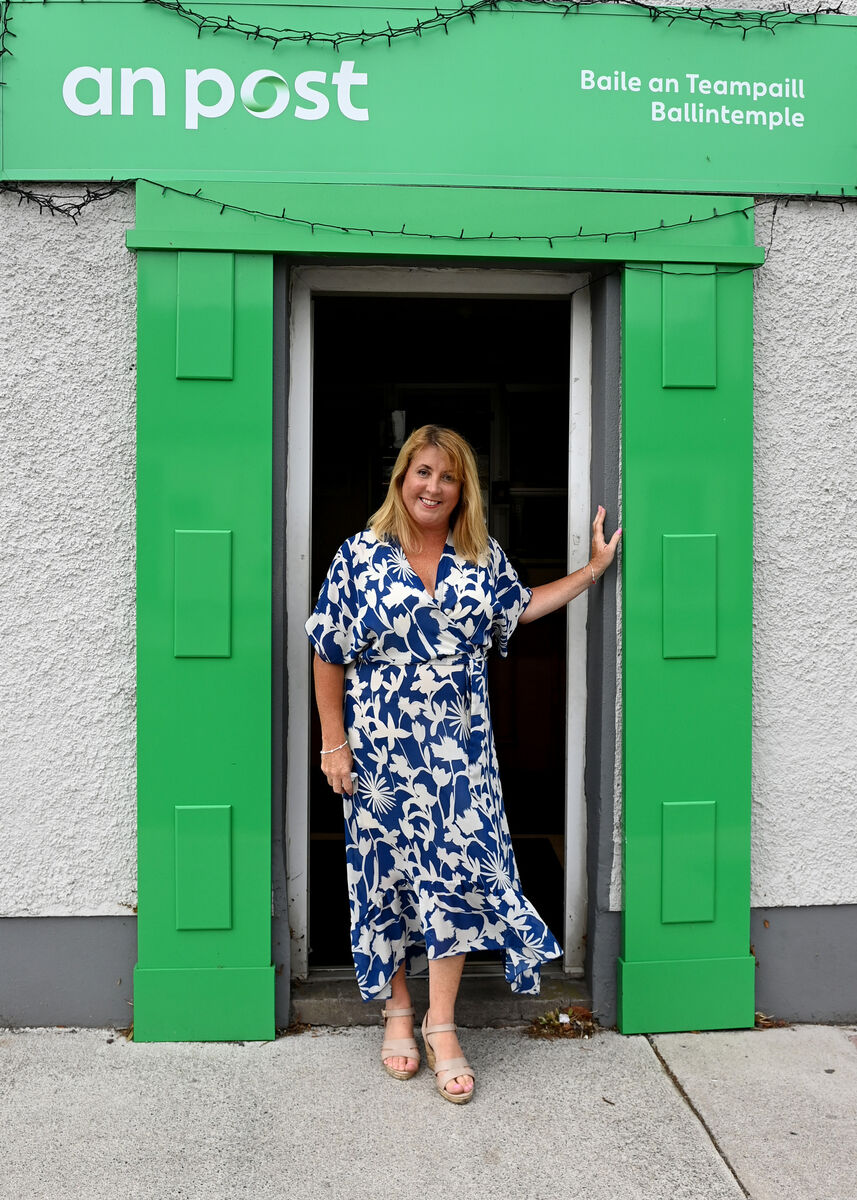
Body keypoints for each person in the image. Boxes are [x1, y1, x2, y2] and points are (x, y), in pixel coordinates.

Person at [306, 424, 621, 1104]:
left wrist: (592, 571)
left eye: (446, 477)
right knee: (384, 877)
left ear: (461, 490)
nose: (432, 486)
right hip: (378, 758)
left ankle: (440, 1023)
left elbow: (520, 608)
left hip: (458, 760)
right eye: (421, 472)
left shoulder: (479, 558)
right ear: (401, 481)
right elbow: (327, 649)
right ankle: (395, 1011)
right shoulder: (359, 556)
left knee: (454, 877)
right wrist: (333, 741)